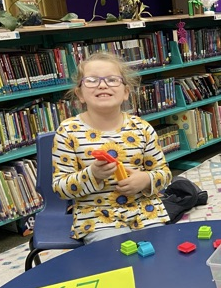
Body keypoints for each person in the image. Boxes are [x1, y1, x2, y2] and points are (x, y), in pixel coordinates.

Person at [52, 52, 172, 244]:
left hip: (146, 212)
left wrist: (145, 180)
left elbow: (164, 174)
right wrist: (93, 175)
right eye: (91, 80)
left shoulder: (142, 128)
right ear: (80, 94)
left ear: (126, 92)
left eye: (112, 79)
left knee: (160, 249)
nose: (102, 85)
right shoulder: (68, 132)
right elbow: (60, 188)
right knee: (117, 254)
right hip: (96, 217)